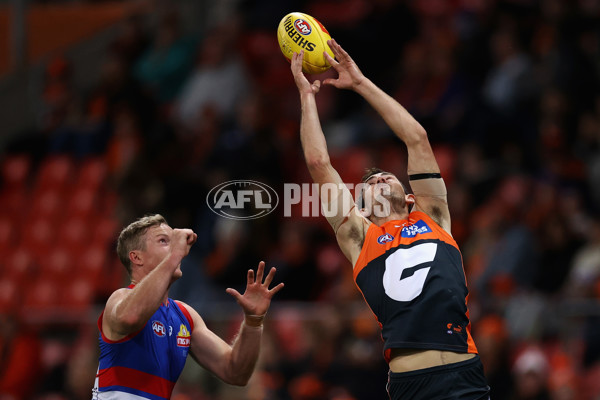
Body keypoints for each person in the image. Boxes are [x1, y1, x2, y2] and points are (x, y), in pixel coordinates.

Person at [291, 40, 490, 399]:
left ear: (410, 196)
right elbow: (320, 165)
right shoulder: (357, 236)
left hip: (465, 374)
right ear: (362, 207)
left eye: (386, 176)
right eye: (369, 182)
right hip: (410, 384)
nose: (379, 179)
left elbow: (417, 138)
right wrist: (307, 97)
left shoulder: (433, 216)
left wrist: (361, 83)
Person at [92, 214, 283, 399]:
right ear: (137, 257)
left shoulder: (184, 316)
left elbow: (235, 371)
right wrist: (174, 254)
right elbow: (131, 317)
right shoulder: (119, 298)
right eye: (164, 241)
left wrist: (253, 320)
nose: (178, 247)